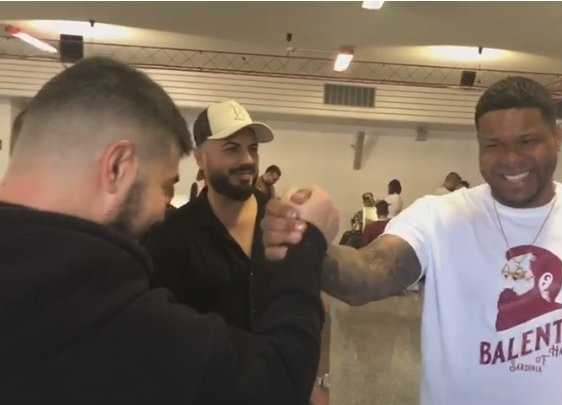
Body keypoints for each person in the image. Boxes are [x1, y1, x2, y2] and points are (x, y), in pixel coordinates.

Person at [263, 76, 562, 405]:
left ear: (557, 138)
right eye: (493, 145)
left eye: (527, 141)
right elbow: (367, 275)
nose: (510, 159)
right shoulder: (438, 216)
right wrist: (304, 240)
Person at [0, 57, 337, 404]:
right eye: (164, 186)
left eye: (252, 148)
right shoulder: (108, 307)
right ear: (117, 167)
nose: (161, 210)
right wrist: (307, 241)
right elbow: (276, 383)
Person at [145, 99, 277, 330]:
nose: (247, 160)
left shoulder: (281, 221)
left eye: (253, 148)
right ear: (200, 158)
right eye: (231, 148)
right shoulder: (172, 235)